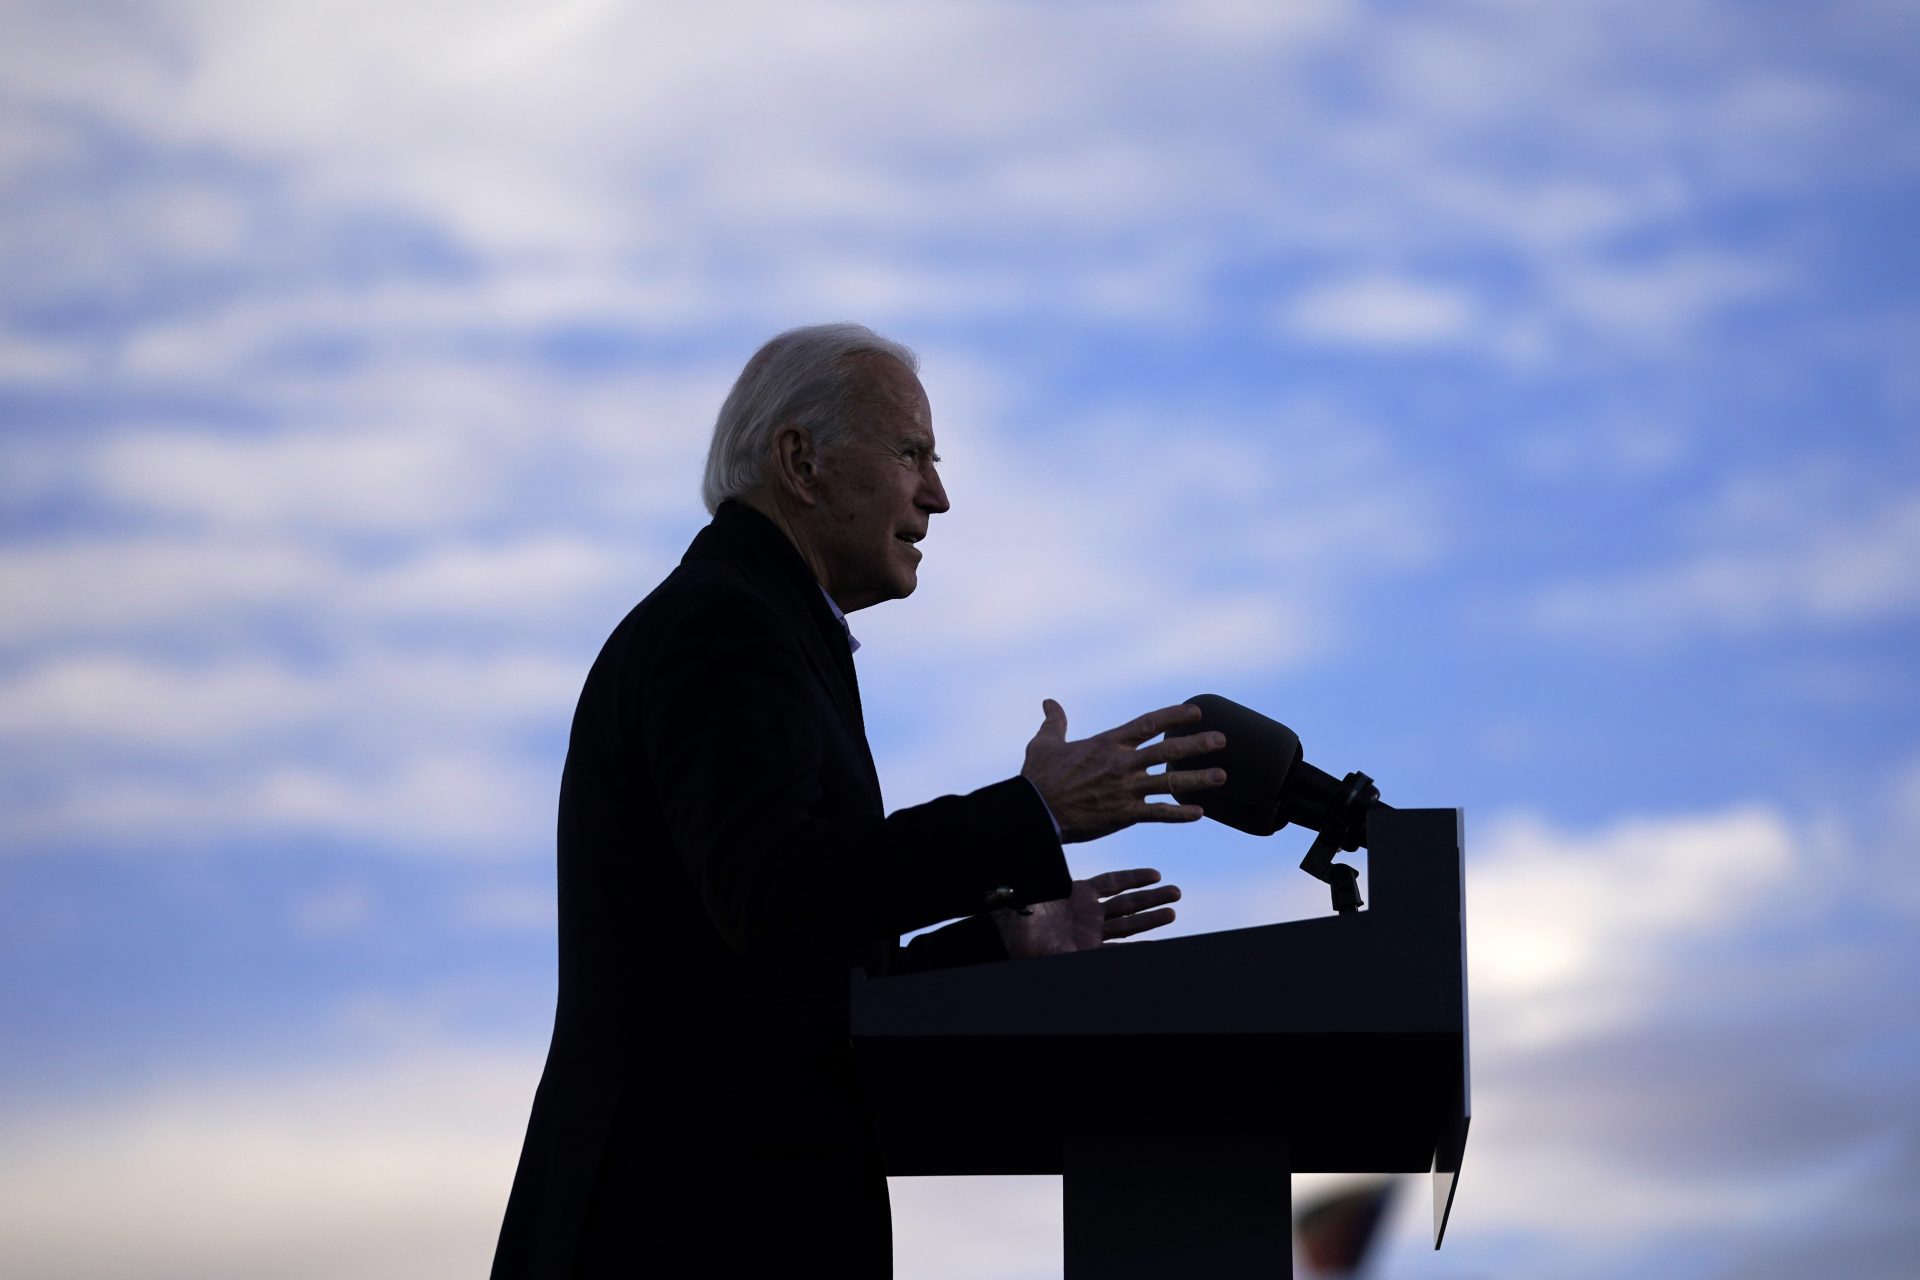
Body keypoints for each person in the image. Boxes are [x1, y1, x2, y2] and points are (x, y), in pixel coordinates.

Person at [489, 324, 1228, 1278]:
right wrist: (1029, 817)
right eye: (911, 453)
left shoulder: (770, 626)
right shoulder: (726, 623)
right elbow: (775, 893)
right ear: (801, 461)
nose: (939, 495)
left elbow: (803, 967)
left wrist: (1000, 944)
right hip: (682, 1227)